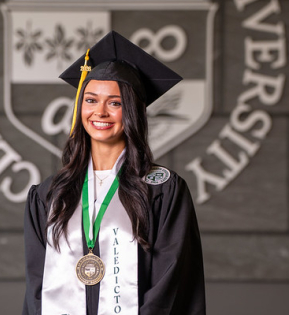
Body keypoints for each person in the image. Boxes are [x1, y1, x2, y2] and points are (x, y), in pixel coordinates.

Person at [22, 31, 205, 315]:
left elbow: (171, 282)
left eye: (115, 103)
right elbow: (37, 287)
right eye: (91, 100)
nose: (100, 112)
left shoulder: (162, 190)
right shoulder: (50, 193)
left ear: (132, 111)